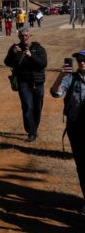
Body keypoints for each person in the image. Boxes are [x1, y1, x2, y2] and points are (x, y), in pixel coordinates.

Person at [50, 50, 85, 214]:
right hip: (76, 126)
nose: (81, 62)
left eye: (84, 60)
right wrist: (60, 75)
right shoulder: (71, 78)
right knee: (82, 166)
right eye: (79, 60)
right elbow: (55, 93)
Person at [4, 27, 47, 142]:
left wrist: (31, 56)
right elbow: (7, 62)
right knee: (27, 106)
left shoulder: (38, 48)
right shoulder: (15, 48)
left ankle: (34, 128)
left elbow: (42, 64)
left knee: (37, 108)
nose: (24, 38)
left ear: (30, 36)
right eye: (22, 36)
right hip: (24, 82)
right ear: (19, 37)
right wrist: (13, 54)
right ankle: (31, 132)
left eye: (26, 36)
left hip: (38, 83)